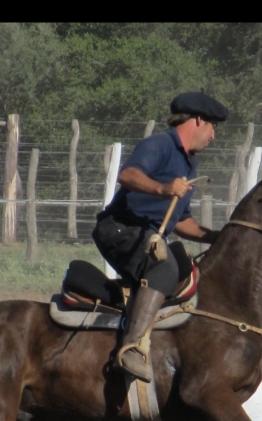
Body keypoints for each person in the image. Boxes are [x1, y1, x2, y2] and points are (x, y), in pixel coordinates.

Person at [92, 92, 226, 382]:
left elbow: (182, 221)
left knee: (182, 261)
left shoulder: (190, 164)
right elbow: (127, 175)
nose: (213, 136)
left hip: (147, 235)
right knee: (163, 267)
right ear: (199, 120)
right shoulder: (160, 145)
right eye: (212, 127)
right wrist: (163, 189)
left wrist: (216, 237)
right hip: (120, 228)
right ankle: (131, 349)